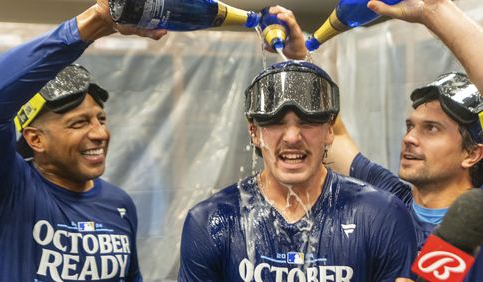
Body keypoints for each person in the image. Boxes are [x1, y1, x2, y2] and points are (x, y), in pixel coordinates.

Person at [178, 59, 417, 281]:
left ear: (330, 131)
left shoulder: (381, 216)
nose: (292, 137)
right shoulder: (212, 222)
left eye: (307, 122)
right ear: (254, 133)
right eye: (276, 122)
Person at [0, 0, 166, 281]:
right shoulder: (6, 185)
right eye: (78, 123)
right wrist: (92, 23)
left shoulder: (118, 204)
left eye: (101, 119)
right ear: (35, 139)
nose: (100, 133)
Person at [326, 0, 483, 280]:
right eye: (410, 126)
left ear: (472, 154)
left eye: (431, 129)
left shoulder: (476, 226)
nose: (409, 138)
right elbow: (333, 137)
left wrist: (434, 11)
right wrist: (300, 57)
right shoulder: (392, 200)